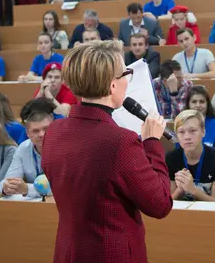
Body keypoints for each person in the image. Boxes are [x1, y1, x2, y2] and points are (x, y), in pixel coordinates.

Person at [42, 42, 172, 262]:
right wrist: (151, 143)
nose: (127, 80)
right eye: (126, 74)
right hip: (110, 253)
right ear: (113, 86)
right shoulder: (120, 141)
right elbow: (160, 204)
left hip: (69, 252)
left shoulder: (54, 131)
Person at [165, 109, 215, 202]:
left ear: (203, 132)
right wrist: (180, 190)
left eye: (192, 131)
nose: (187, 137)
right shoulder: (171, 158)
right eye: (181, 132)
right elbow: (168, 204)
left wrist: (192, 190)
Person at [0, 100, 54, 197]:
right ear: (28, 133)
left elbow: (63, 188)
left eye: (46, 129)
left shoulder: (65, 147)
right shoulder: (23, 148)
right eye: (35, 131)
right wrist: (6, 188)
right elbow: (6, 181)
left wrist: (28, 189)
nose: (41, 134)